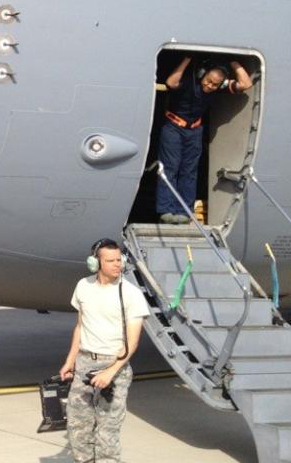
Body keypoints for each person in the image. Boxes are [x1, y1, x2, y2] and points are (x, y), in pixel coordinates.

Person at [59, 239, 150, 463]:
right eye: (110, 261)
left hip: (114, 366)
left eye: (119, 259)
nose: (117, 264)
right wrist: (70, 360)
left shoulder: (130, 294)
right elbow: (80, 326)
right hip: (85, 362)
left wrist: (111, 371)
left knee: (107, 433)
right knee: (78, 426)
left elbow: (132, 342)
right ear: (95, 263)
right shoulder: (83, 286)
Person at [157, 56, 252, 224]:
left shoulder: (218, 88)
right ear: (202, 74)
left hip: (195, 130)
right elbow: (171, 82)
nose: (209, 86)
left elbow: (246, 84)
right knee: (170, 167)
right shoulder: (189, 81)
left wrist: (233, 62)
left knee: (190, 171)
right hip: (173, 127)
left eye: (215, 84)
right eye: (208, 81)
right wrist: (187, 59)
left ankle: (184, 211)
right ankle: (166, 209)